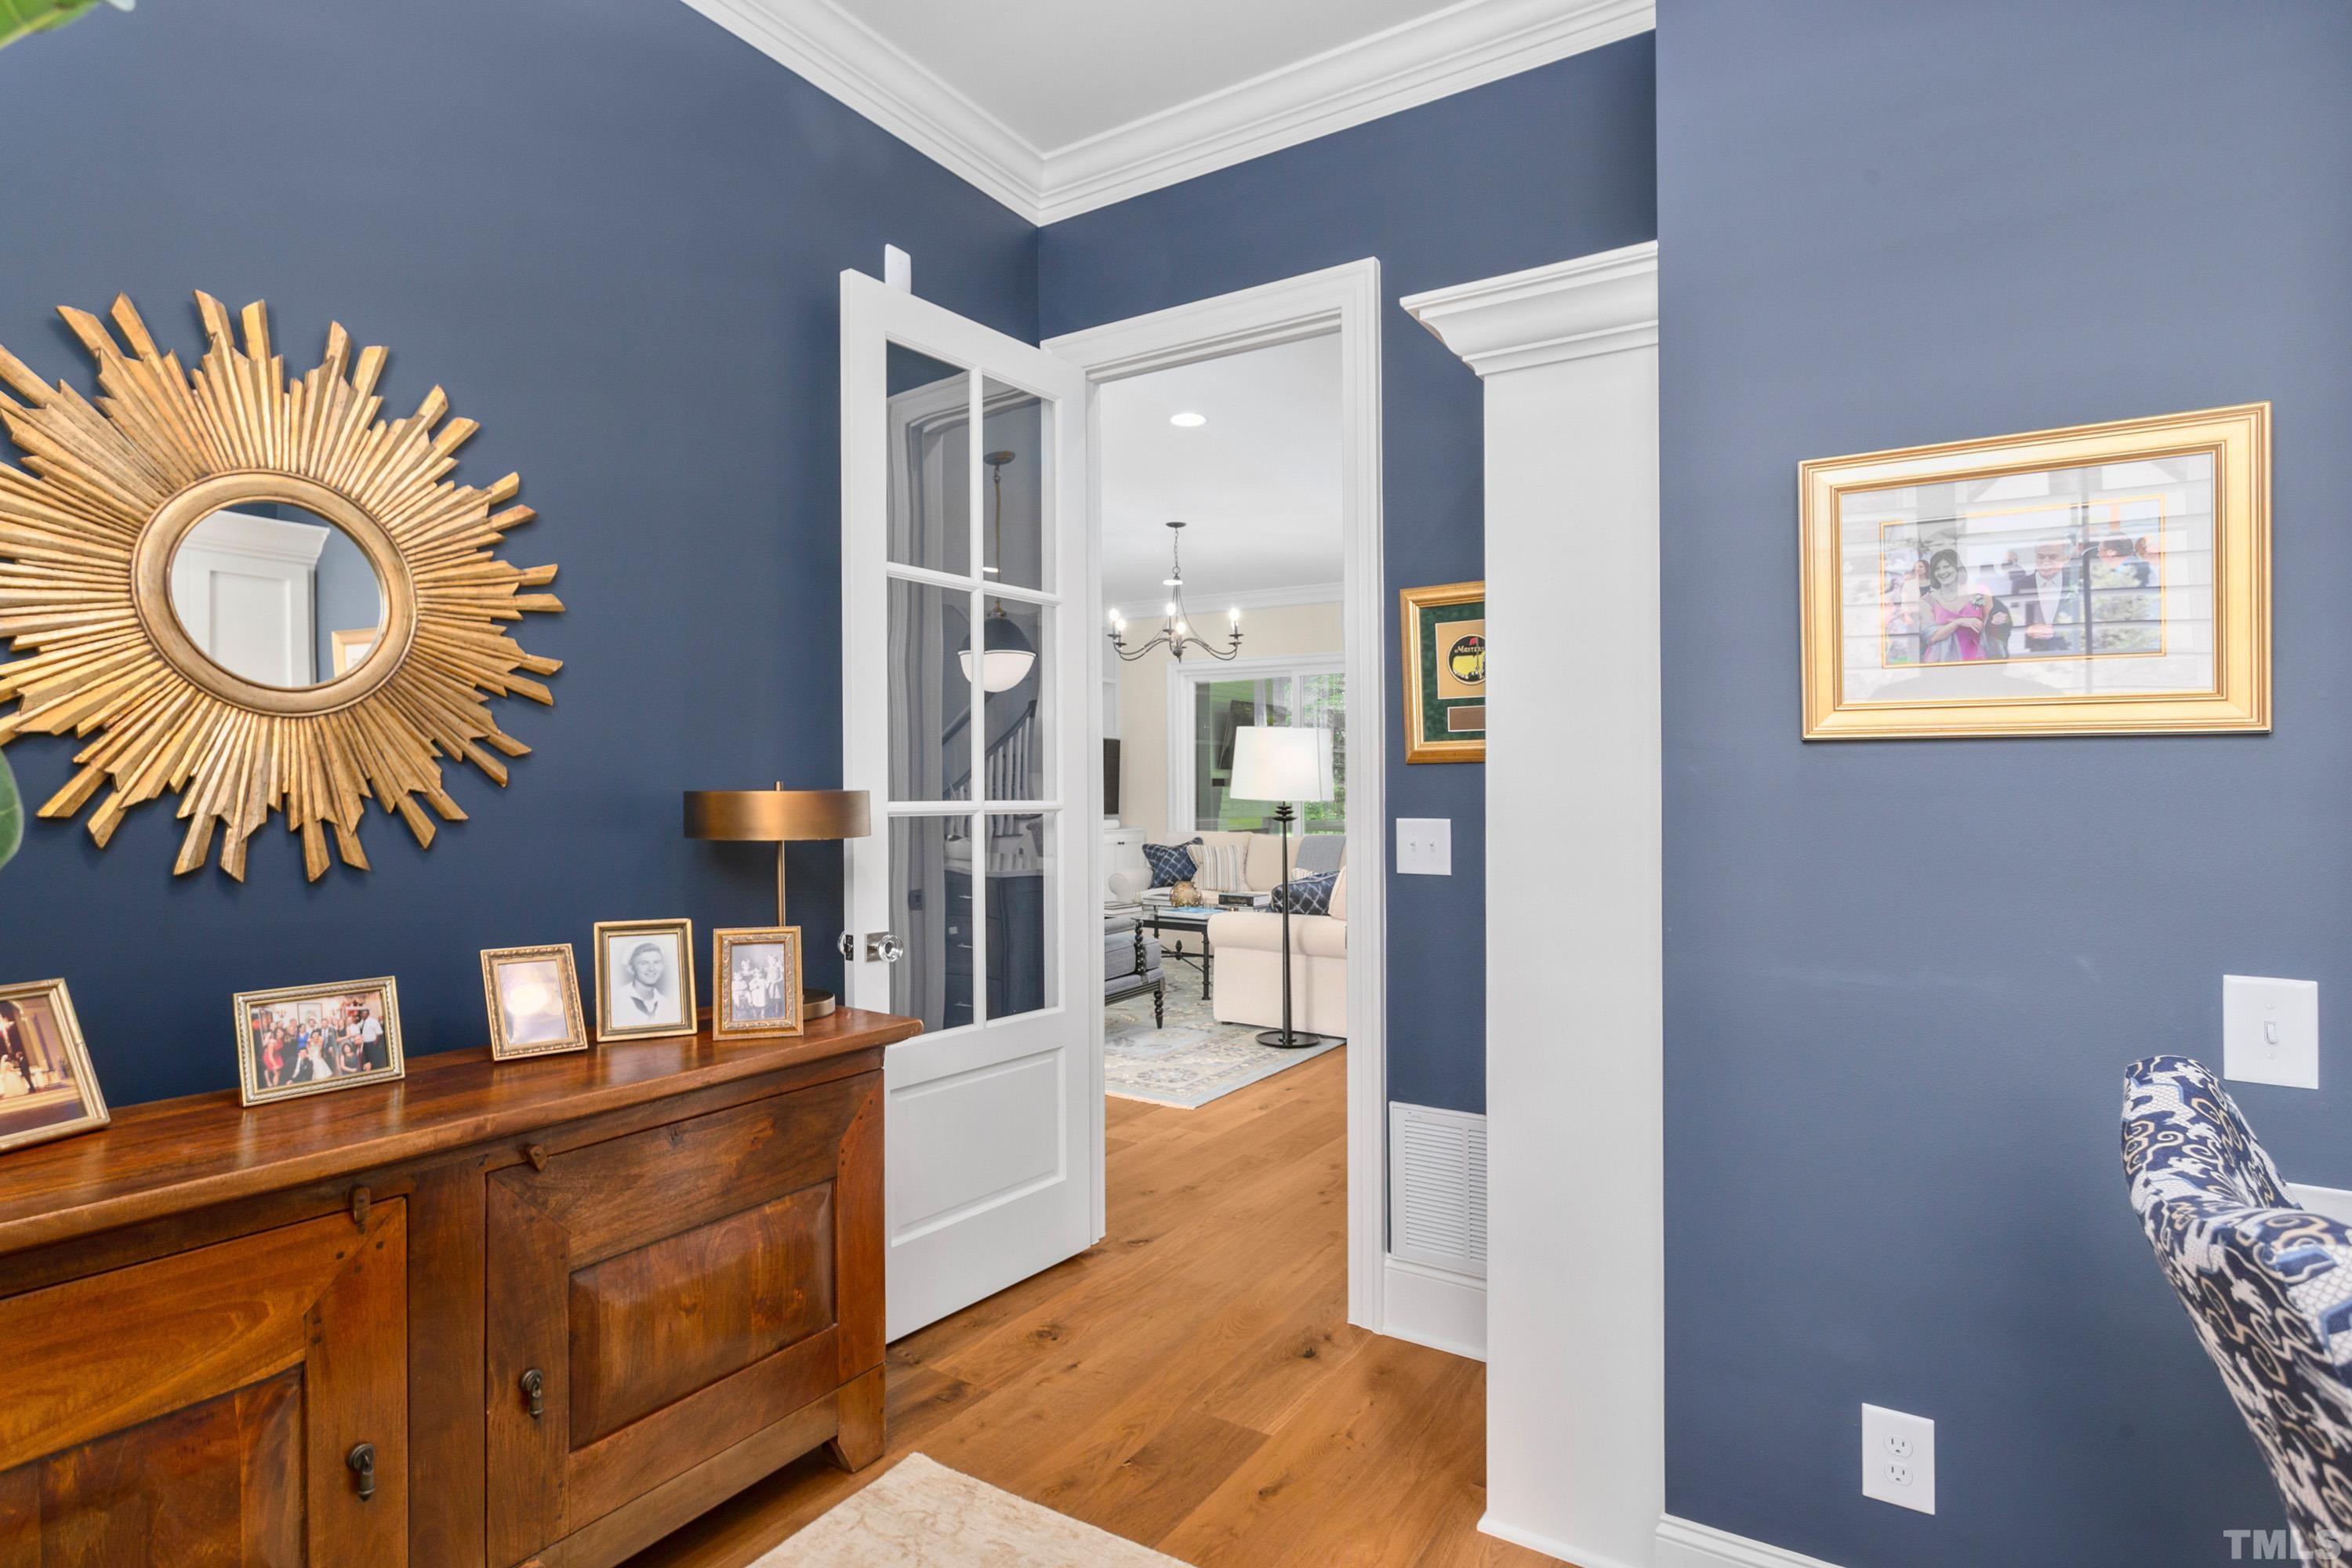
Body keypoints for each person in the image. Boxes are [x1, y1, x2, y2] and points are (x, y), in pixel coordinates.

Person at [1918, 549, 2002, 662]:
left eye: (1946, 566)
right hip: (1942, 659)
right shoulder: (1927, 600)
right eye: (1937, 569)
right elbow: (1931, 637)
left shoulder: (1978, 594)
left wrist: (1999, 619)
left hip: (1976, 656)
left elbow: (1989, 623)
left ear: (1957, 568)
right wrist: (1958, 622)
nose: (1942, 572)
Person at [2006, 538, 2084, 655]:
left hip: (2068, 653)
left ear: (2066, 559)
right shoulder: (2020, 584)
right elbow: (2012, 615)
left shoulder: (2076, 586)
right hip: (2031, 653)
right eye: (2041, 557)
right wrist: (2027, 629)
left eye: (2053, 557)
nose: (2046, 561)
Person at [617, 941, 676, 1026]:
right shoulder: (616, 1000)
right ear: (631, 969)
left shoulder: (668, 1004)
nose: (652, 969)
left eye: (656, 962)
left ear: (663, 967)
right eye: (644, 963)